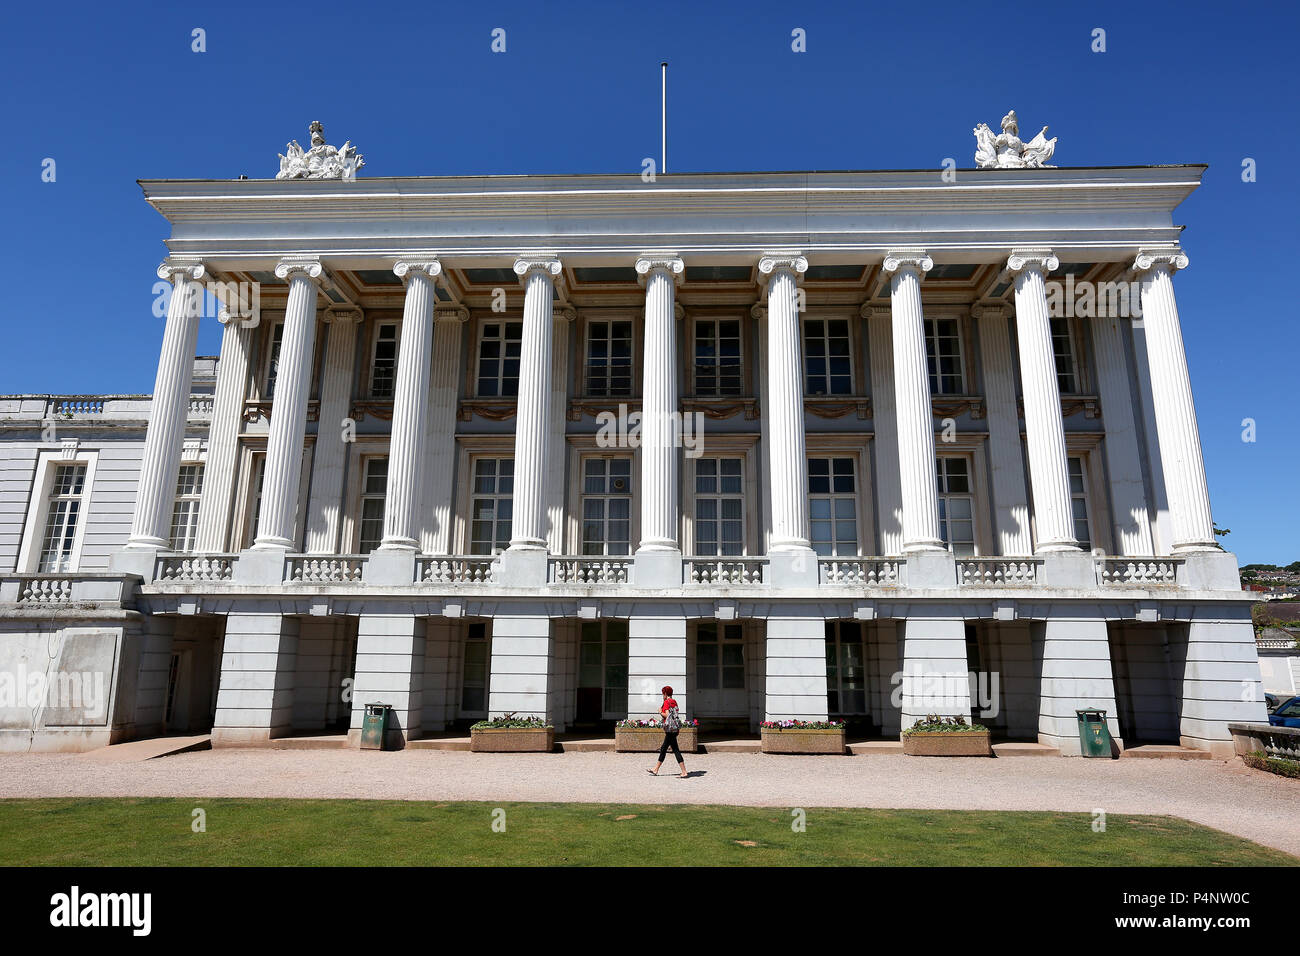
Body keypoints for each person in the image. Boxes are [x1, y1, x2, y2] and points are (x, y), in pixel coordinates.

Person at [647, 685, 688, 778]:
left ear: (665, 693)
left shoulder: (666, 702)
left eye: (663, 693)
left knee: (673, 749)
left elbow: (666, 715)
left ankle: (684, 772)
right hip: (674, 728)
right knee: (665, 748)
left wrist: (660, 712)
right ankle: (656, 769)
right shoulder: (674, 701)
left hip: (669, 729)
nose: (662, 695)